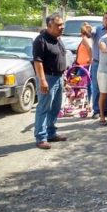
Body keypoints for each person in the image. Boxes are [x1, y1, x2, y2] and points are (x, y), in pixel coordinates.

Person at [32, 14, 68, 150]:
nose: (62, 27)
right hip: (47, 78)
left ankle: (51, 133)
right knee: (43, 108)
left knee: (55, 108)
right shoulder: (40, 40)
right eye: (58, 25)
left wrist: (63, 76)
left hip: (58, 78)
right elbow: (38, 62)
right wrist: (42, 80)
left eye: (62, 24)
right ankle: (41, 138)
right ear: (49, 26)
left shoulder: (58, 39)